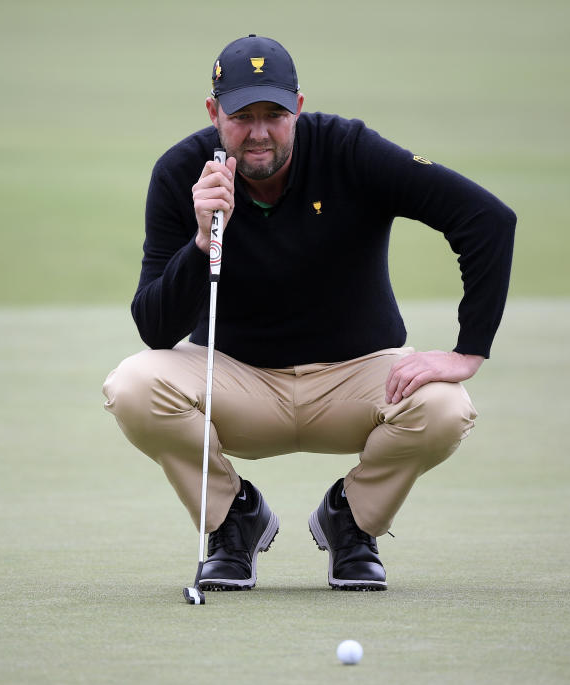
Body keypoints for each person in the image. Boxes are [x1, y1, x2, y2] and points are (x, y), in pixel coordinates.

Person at [102, 34, 515, 592]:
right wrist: (201, 241)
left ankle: (353, 521)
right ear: (213, 113)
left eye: (274, 114)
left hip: (359, 375)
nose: (258, 132)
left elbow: (487, 218)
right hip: (237, 379)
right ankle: (233, 520)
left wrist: (469, 350)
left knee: (445, 407)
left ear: (298, 107)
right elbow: (155, 329)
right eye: (241, 116)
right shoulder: (183, 173)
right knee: (132, 385)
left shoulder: (349, 149)